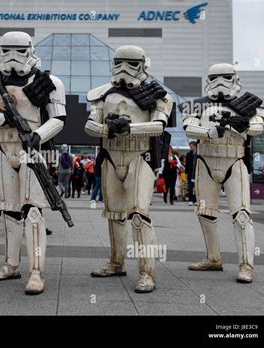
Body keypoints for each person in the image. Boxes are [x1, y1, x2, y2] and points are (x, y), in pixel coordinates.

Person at [0, 31, 67, 295]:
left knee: (33, 212)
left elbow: (58, 118)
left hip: (31, 151)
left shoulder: (48, 82)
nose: (12, 57)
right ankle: (11, 264)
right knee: (10, 211)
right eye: (7, 50)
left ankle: (37, 271)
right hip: (4, 149)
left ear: (30, 50)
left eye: (19, 51)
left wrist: (37, 136)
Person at [84, 45, 174, 293]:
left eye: (131, 63)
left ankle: (147, 272)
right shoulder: (104, 94)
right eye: (119, 62)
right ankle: (116, 262)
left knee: (139, 215)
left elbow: (158, 126)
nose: (124, 69)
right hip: (111, 157)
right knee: (113, 214)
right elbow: (91, 125)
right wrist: (108, 129)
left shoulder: (158, 95)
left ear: (144, 65)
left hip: (139, 156)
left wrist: (128, 129)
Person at [181, 63, 264, 283]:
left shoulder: (249, 104)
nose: (220, 82)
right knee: (205, 212)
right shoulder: (198, 105)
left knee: (241, 214)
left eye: (225, 77)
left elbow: (258, 127)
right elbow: (189, 128)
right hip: (206, 161)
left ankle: (246, 265)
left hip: (234, 161)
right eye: (215, 78)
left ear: (235, 79)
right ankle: (213, 258)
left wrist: (239, 126)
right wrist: (210, 131)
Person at [186, 141, 198, 206]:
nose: (190, 148)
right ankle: (190, 200)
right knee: (190, 188)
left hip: (196, 173)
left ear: (194, 146)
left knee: (196, 188)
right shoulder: (188, 154)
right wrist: (186, 172)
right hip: (190, 173)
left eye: (191, 146)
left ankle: (195, 200)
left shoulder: (198, 154)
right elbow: (187, 164)